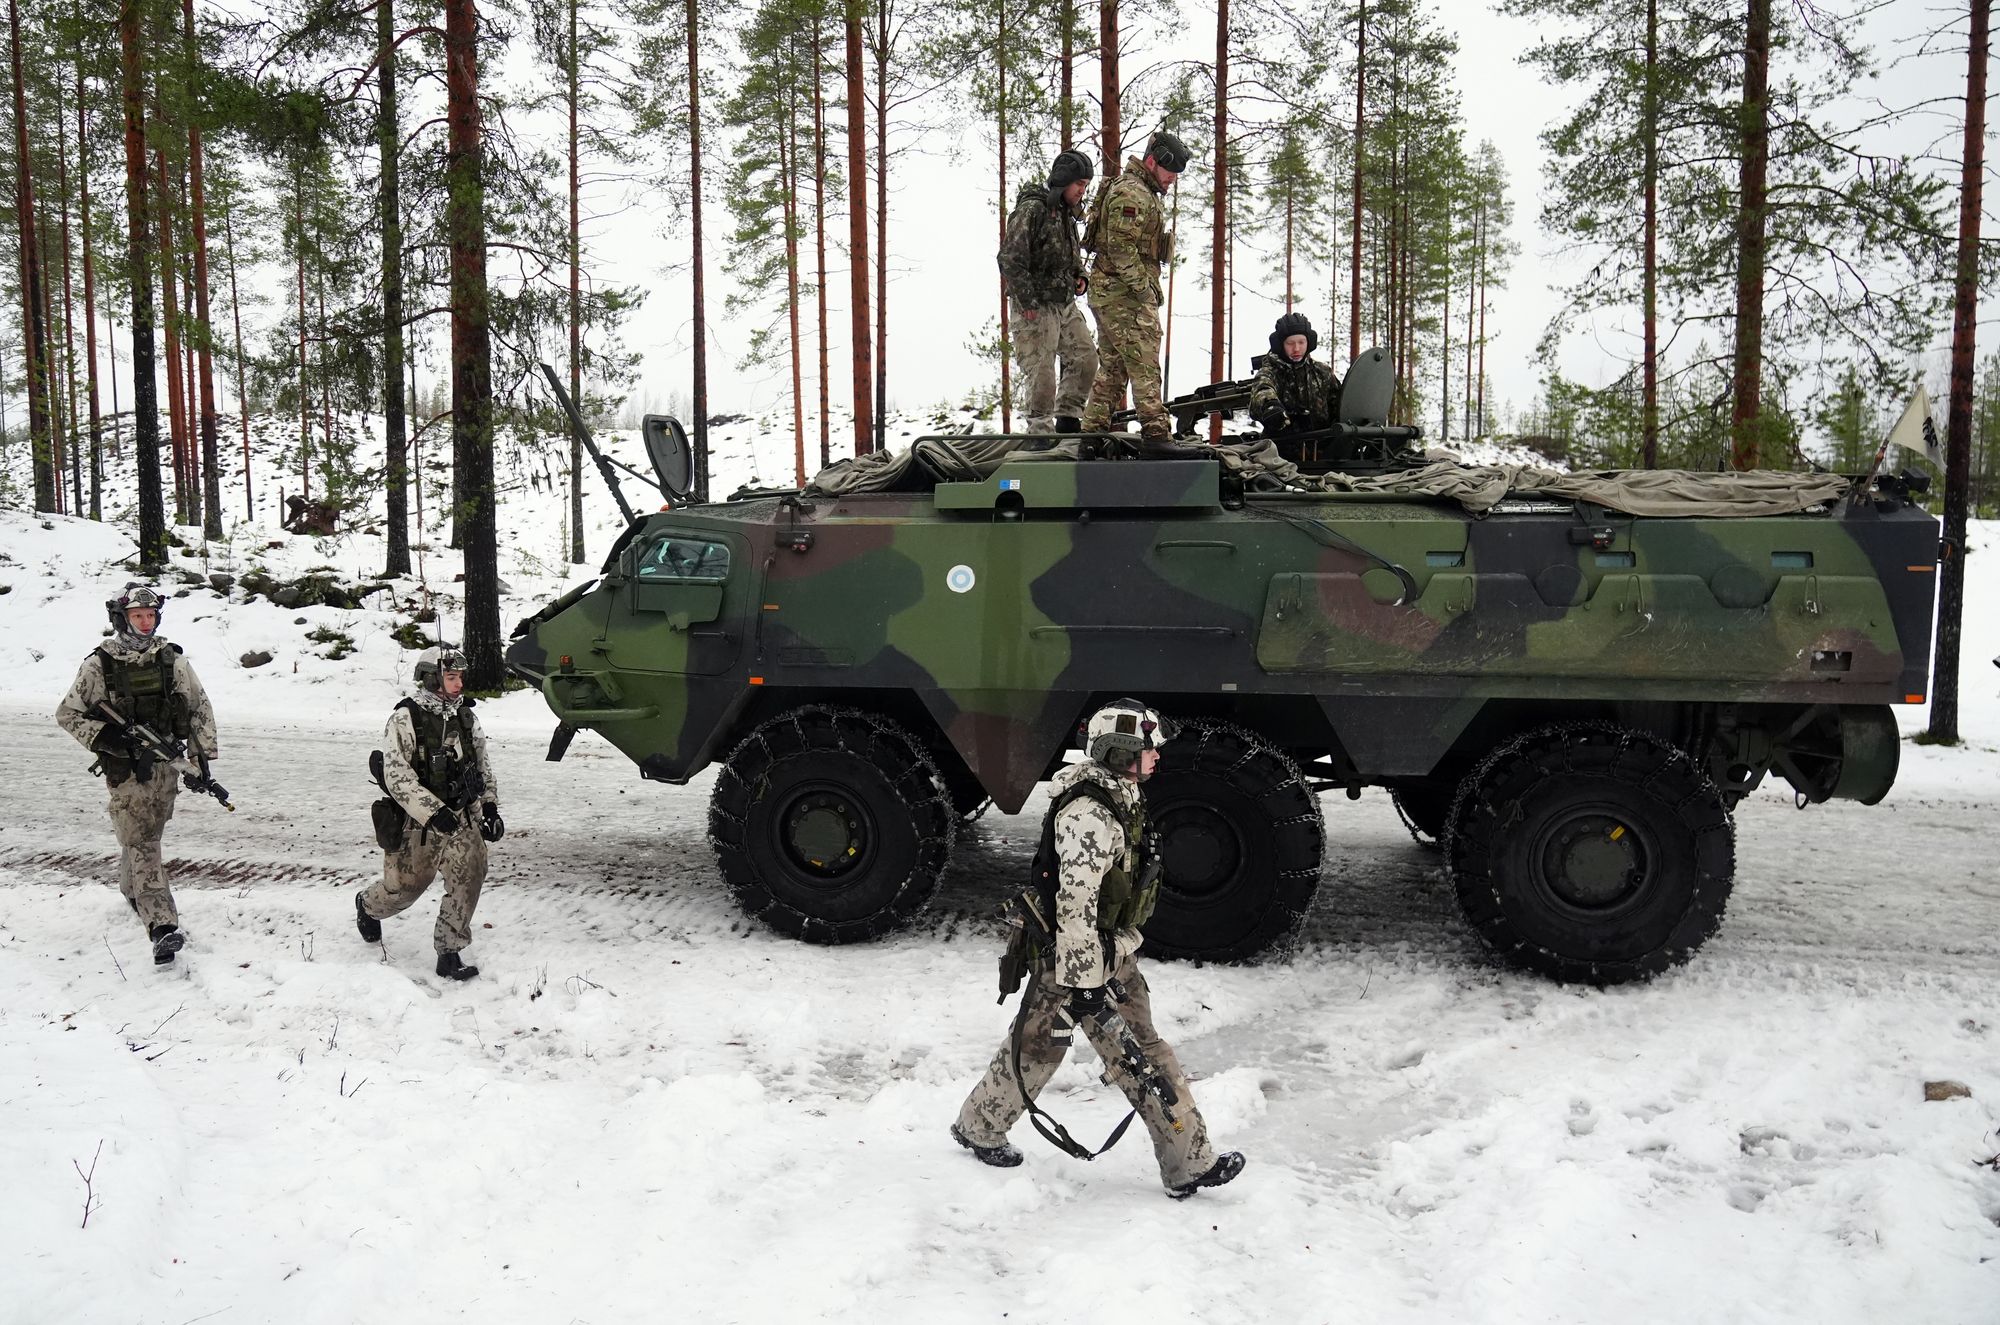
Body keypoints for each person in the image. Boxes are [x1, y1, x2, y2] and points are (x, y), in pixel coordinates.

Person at [951, 698, 1245, 1199]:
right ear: (1121, 753)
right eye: (1148, 748)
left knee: (1089, 1048)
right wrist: (1085, 983)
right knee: (1061, 1049)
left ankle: (1188, 1161)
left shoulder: (1121, 796)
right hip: (1077, 957)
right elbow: (1075, 906)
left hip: (1104, 954)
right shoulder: (1089, 816)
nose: (1157, 756)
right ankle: (1187, 1163)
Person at [55, 586, 220, 966]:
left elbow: (199, 708)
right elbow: (68, 713)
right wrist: (105, 736)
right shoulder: (100, 664)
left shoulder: (171, 660)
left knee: (148, 834)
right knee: (144, 841)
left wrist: (201, 760)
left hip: (165, 766)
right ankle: (162, 925)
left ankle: (131, 889)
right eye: (137, 616)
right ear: (121, 619)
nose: (145, 623)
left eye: (150, 616)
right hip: (125, 770)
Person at [356, 645, 501, 980]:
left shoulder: (466, 717)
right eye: (451, 676)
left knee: (471, 873)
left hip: (461, 818)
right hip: (417, 824)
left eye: (460, 676)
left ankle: (449, 951)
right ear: (432, 678)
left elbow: (482, 768)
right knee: (403, 890)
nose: (459, 683)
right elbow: (397, 777)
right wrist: (433, 812)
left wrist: (489, 808)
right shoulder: (406, 718)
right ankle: (367, 906)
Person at [1077, 132, 1192, 444]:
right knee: (1144, 364)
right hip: (1122, 296)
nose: (1172, 180)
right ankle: (1156, 435)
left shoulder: (1140, 191)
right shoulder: (1133, 192)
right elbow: (1120, 247)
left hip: (1112, 293)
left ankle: (1092, 436)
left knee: (1114, 368)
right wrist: (1145, 292)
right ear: (1152, 162)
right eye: (1170, 173)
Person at [998, 149, 1099, 434]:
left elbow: (1071, 256)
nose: (1082, 191)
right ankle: (1040, 430)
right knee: (1042, 369)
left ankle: (1068, 418)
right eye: (1079, 183)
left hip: (1063, 304)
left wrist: (1081, 277)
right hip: (1035, 304)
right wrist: (1026, 299)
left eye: (1086, 185)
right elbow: (1009, 257)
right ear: (1063, 179)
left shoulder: (1066, 214)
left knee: (1086, 356)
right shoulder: (1033, 209)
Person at [1249, 311, 1341, 445]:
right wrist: (1271, 407)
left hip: (1324, 451)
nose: (1296, 348)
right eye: (1290, 343)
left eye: (1301, 342)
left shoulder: (1322, 372)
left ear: (1309, 342)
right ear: (1280, 345)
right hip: (1280, 453)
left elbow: (1340, 402)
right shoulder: (1271, 371)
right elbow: (1262, 389)